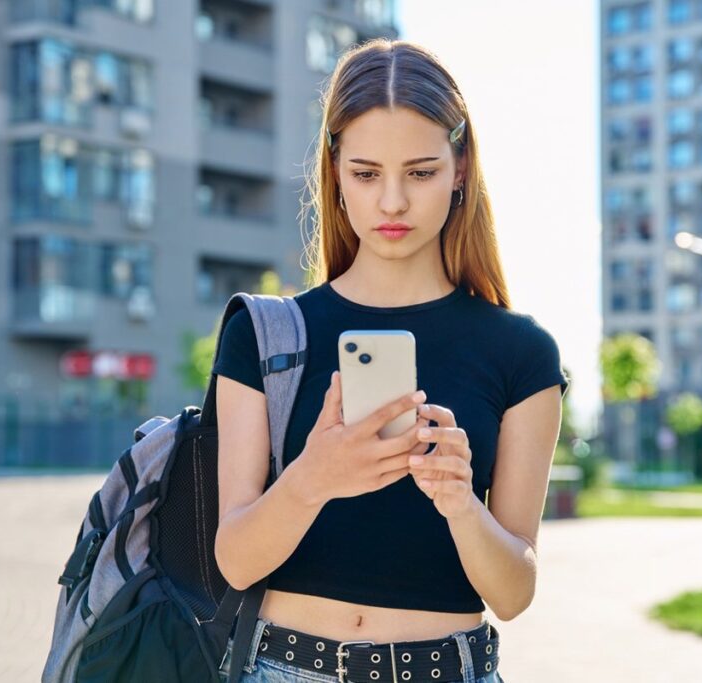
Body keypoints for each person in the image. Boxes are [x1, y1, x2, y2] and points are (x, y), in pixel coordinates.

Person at [213, 38, 570, 683]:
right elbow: (235, 561)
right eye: (367, 173)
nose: (393, 202)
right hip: (283, 668)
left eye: (422, 172)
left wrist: (462, 503)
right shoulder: (264, 335)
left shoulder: (521, 352)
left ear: (460, 168)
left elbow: (514, 593)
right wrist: (313, 477)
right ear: (336, 171)